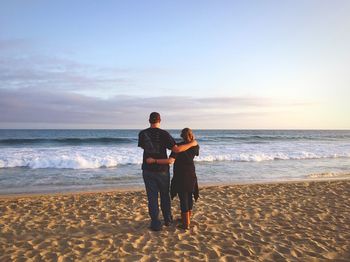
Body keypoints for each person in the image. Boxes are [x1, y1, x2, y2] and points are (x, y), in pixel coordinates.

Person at [138, 112, 198, 231]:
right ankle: (167, 220)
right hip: (162, 170)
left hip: (147, 169)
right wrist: (193, 142)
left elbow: (143, 147)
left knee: (152, 197)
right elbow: (176, 149)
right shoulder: (164, 134)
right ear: (160, 120)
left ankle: (155, 223)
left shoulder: (142, 133)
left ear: (149, 120)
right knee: (164, 195)